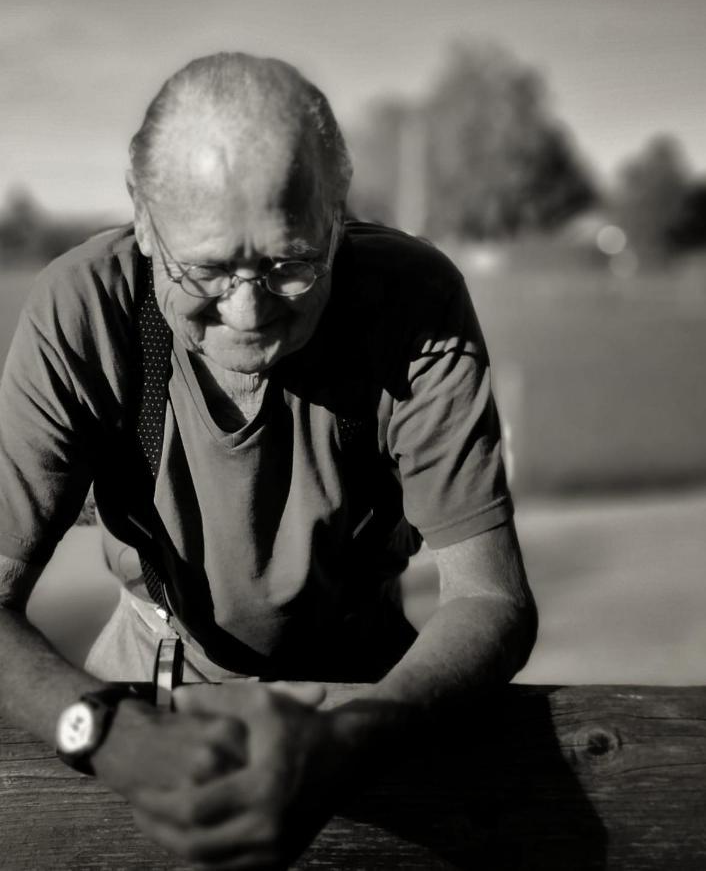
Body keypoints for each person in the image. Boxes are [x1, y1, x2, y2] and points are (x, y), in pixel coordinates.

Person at [0, 52, 537, 868]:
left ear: (337, 209)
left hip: (363, 678)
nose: (249, 314)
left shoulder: (412, 303)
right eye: (207, 270)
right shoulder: (83, 310)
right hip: (150, 667)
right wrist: (103, 730)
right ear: (143, 218)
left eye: (291, 263)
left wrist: (356, 739)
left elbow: (490, 597)